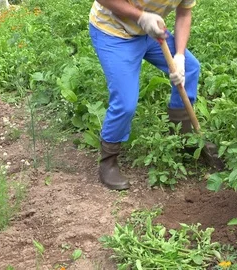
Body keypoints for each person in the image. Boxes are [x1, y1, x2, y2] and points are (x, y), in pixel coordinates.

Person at [88, 0, 206, 191]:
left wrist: (180, 56)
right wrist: (141, 17)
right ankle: (108, 161)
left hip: (150, 33)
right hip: (114, 33)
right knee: (125, 104)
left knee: (191, 69)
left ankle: (182, 137)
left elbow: (184, 13)